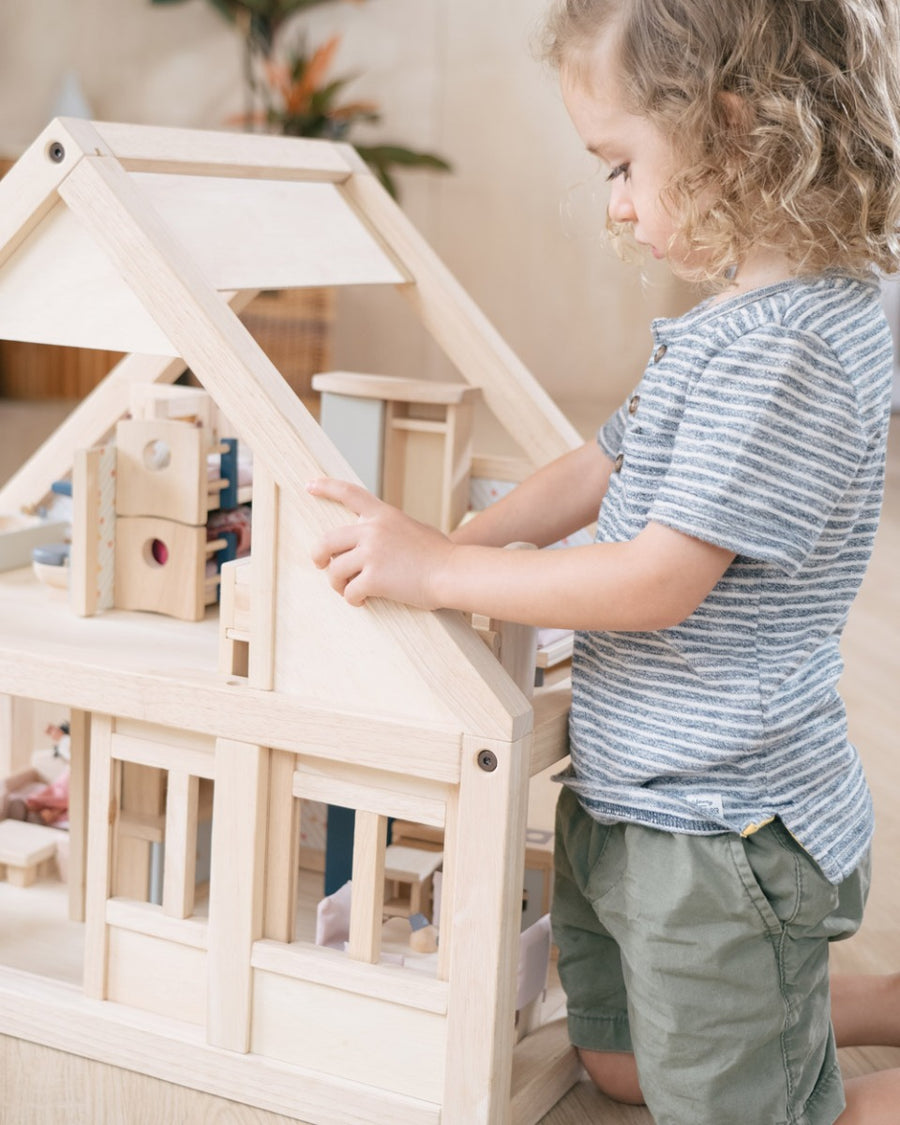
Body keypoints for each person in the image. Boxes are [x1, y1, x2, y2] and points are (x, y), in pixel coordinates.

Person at [307, 0, 900, 1120]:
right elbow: (601, 462)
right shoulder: (734, 321)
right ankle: (838, 1005)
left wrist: (442, 573)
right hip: (634, 796)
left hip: (722, 829)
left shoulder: (787, 352)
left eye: (621, 164)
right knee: (619, 1065)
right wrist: (454, 544)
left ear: (733, 129)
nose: (617, 206)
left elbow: (655, 580)